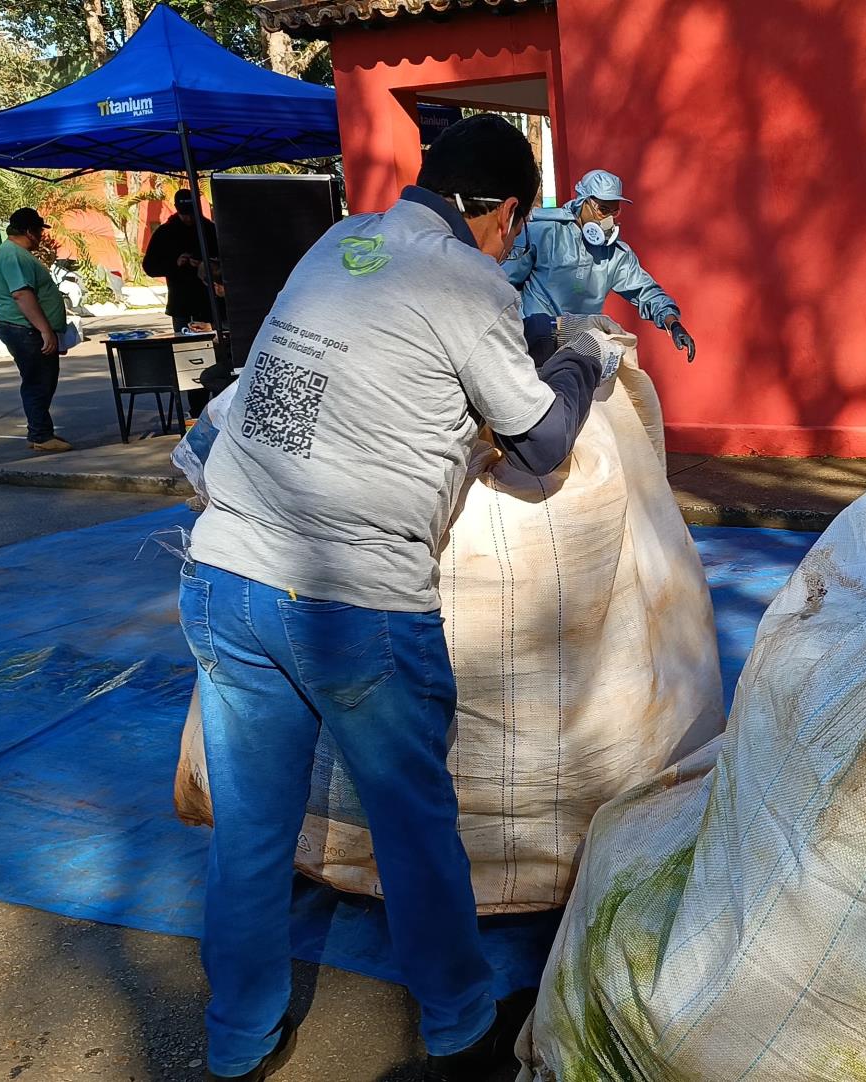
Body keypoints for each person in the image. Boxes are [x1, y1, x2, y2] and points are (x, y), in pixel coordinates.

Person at [180, 114, 611, 1082]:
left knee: (251, 829)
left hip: (227, 577)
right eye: (516, 228)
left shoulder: (344, 240)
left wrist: (517, 328)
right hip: (354, 605)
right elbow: (540, 443)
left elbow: (342, 371)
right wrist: (579, 356)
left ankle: (237, 1039)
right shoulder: (470, 282)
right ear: (503, 214)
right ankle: (460, 1027)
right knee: (415, 826)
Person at [503, 168, 697, 361]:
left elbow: (646, 292)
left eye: (615, 211)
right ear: (582, 202)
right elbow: (503, 284)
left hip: (579, 350)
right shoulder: (544, 233)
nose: (609, 219)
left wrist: (673, 323)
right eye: (603, 210)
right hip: (531, 343)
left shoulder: (614, 254)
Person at [0, 207, 72, 453]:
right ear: (28, 231)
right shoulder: (13, 255)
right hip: (24, 329)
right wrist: (45, 330)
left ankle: (41, 431)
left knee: (43, 380)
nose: (41, 236)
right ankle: (41, 434)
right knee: (38, 381)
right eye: (38, 231)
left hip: (26, 328)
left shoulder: (14, 253)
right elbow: (21, 294)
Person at [143, 188, 220, 333]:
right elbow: (149, 267)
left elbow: (225, 258)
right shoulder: (164, 233)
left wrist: (206, 263)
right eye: (184, 214)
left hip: (211, 302)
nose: (188, 219)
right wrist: (175, 263)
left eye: (191, 214)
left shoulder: (209, 229)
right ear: (177, 210)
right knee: (185, 348)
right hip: (181, 303)